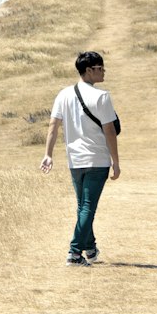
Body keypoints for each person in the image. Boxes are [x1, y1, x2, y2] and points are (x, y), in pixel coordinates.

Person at [41, 51, 121, 265]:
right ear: (88, 70)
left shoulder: (63, 94)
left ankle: (90, 249)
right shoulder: (101, 97)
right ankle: (75, 253)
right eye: (100, 68)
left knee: (83, 206)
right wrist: (116, 161)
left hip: (75, 160)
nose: (103, 71)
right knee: (87, 207)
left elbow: (53, 126)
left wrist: (48, 154)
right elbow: (110, 131)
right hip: (97, 159)